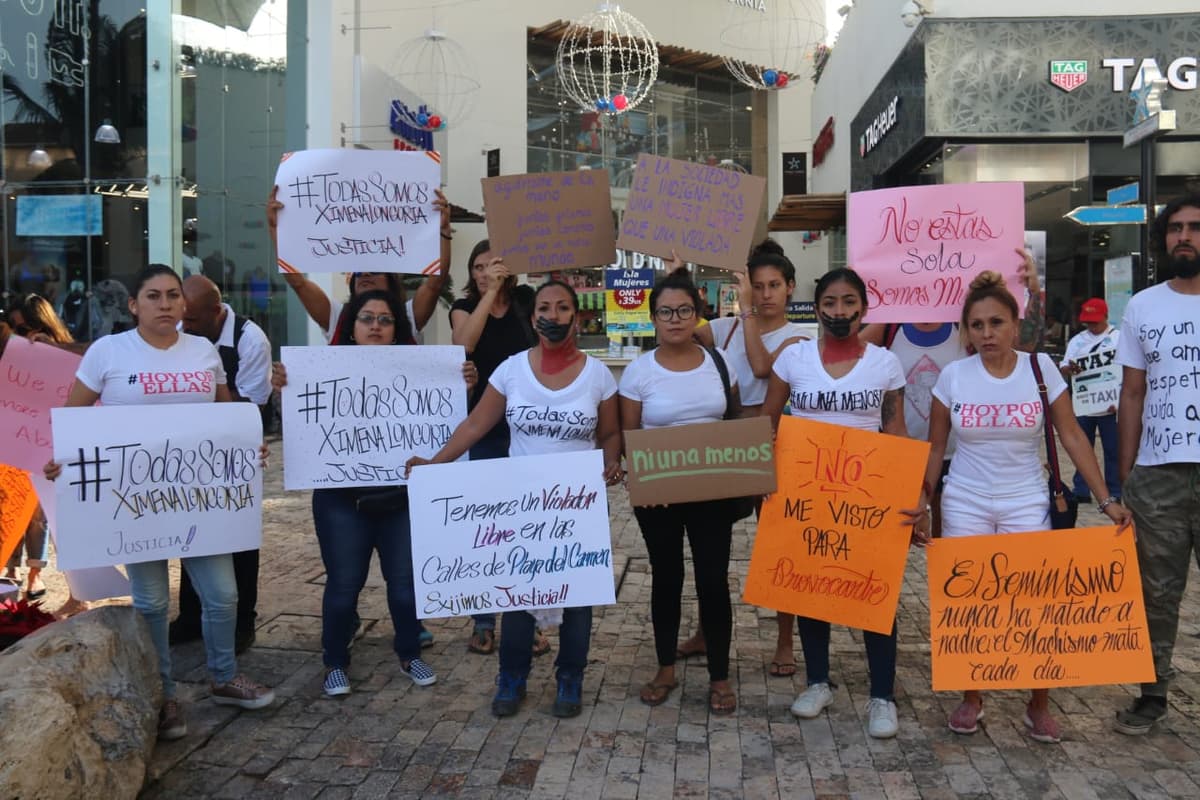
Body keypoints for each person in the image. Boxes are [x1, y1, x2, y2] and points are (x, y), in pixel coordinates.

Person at [43, 264, 275, 742]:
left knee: (223, 594)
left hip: (199, 497)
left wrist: (246, 442)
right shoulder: (109, 352)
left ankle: (223, 677)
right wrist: (59, 459)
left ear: (184, 305)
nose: (165, 304)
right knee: (150, 600)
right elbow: (74, 418)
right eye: (153, 296)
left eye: (173, 295)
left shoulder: (204, 351)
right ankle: (163, 693)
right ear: (134, 305)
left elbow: (226, 411)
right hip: (136, 502)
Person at [917, 271, 1132, 744]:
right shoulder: (953, 376)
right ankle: (972, 696)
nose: (987, 334)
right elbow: (935, 448)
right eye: (976, 325)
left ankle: (1039, 703)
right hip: (966, 502)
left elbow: (1072, 435)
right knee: (969, 604)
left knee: (1034, 604)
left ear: (1016, 324)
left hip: (1027, 500)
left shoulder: (1041, 370)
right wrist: (920, 499)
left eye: (996, 322)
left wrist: (1107, 498)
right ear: (966, 331)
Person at [407, 280, 622, 718]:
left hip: (574, 506)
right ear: (533, 315)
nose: (554, 315)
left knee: (578, 596)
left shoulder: (599, 375)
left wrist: (612, 462)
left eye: (563, 308)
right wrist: (436, 463)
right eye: (545, 306)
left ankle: (570, 676)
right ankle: (512, 675)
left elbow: (611, 433)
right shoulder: (510, 370)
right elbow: (474, 426)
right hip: (521, 504)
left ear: (576, 316)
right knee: (516, 594)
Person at [272, 289, 475, 697]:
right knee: (344, 585)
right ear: (352, 326)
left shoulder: (420, 370)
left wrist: (461, 389)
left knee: (404, 584)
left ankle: (409, 652)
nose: (377, 326)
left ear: (396, 328)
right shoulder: (320, 369)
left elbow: (443, 420)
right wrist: (283, 389)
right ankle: (334, 662)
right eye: (367, 318)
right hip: (340, 500)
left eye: (385, 319)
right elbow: (296, 424)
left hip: (400, 497)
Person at [762, 267, 911, 740]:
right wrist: (764, 480)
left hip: (869, 497)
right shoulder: (794, 360)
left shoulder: (885, 363)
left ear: (864, 308)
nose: (840, 311)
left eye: (849, 302)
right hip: (808, 496)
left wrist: (914, 496)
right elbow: (768, 425)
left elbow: (896, 431)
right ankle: (819, 682)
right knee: (812, 589)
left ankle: (882, 695)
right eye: (830, 302)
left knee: (874, 593)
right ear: (816, 306)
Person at [678, 241, 809, 676]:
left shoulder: (801, 337)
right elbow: (682, 326)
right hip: (730, 442)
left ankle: (785, 640)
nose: (766, 293)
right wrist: (678, 276)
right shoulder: (728, 326)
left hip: (777, 443)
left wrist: (745, 312)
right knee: (710, 542)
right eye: (757, 286)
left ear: (790, 287)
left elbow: (760, 368)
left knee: (780, 542)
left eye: (773, 285)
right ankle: (704, 629)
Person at [619, 268, 740, 715]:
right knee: (667, 577)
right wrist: (642, 480)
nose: (675, 318)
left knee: (713, 580)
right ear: (653, 317)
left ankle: (721, 676)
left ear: (698, 313)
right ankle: (665, 666)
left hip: (713, 492)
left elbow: (735, 419)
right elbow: (631, 436)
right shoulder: (636, 372)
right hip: (661, 496)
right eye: (666, 311)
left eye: (684, 310)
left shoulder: (718, 363)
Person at [1113, 194, 1200, 735]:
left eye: (1194, 227)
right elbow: (1131, 394)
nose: (1184, 237)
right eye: (1175, 229)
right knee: (1156, 594)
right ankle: (1152, 693)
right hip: (1158, 473)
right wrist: (1126, 477)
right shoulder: (1142, 306)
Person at [169, 274, 273, 653]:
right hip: (189, 452)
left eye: (193, 320)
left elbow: (252, 404)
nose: (186, 326)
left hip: (236, 451)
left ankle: (243, 621)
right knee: (192, 530)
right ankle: (191, 617)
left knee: (239, 538)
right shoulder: (181, 331)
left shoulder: (250, 339)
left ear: (216, 311)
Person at [449, 243, 540, 656]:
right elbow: (464, 344)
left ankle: (529, 621)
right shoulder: (464, 305)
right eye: (478, 267)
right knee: (486, 530)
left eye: (493, 266)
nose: (486, 272)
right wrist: (489, 294)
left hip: (527, 432)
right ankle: (483, 620)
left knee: (526, 529)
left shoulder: (526, 301)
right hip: (483, 430)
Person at [266, 185, 449, 346]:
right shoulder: (336, 317)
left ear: (391, 279)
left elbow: (435, 283)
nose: (365, 274)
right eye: (359, 271)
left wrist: (443, 231)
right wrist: (277, 229)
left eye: (385, 320)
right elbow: (298, 283)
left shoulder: (409, 315)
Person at [1060, 297, 1122, 503]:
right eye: (1088, 322)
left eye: (1095, 321)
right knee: (1082, 447)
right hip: (1085, 404)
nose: (1091, 326)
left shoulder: (1119, 338)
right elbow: (1063, 366)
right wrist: (1070, 369)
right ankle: (1082, 488)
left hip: (1111, 405)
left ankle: (1115, 491)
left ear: (1105, 317)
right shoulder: (1077, 341)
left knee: (1113, 450)